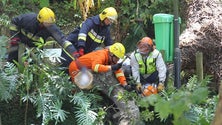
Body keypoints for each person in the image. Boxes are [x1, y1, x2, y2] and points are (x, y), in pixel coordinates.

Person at [69, 42, 139, 124]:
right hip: (76, 69)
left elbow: (118, 71)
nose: (117, 60)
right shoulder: (101, 54)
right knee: (80, 92)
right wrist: (111, 67)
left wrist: (125, 85)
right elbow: (95, 67)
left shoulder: (112, 59)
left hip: (86, 70)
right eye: (117, 58)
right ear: (111, 54)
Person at [8, 7, 77, 63]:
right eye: (47, 23)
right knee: (13, 56)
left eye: (51, 23)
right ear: (40, 21)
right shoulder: (27, 19)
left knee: (33, 63)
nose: (49, 25)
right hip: (19, 41)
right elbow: (14, 22)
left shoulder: (52, 28)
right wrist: (14, 37)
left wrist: (73, 51)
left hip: (35, 48)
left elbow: (63, 40)